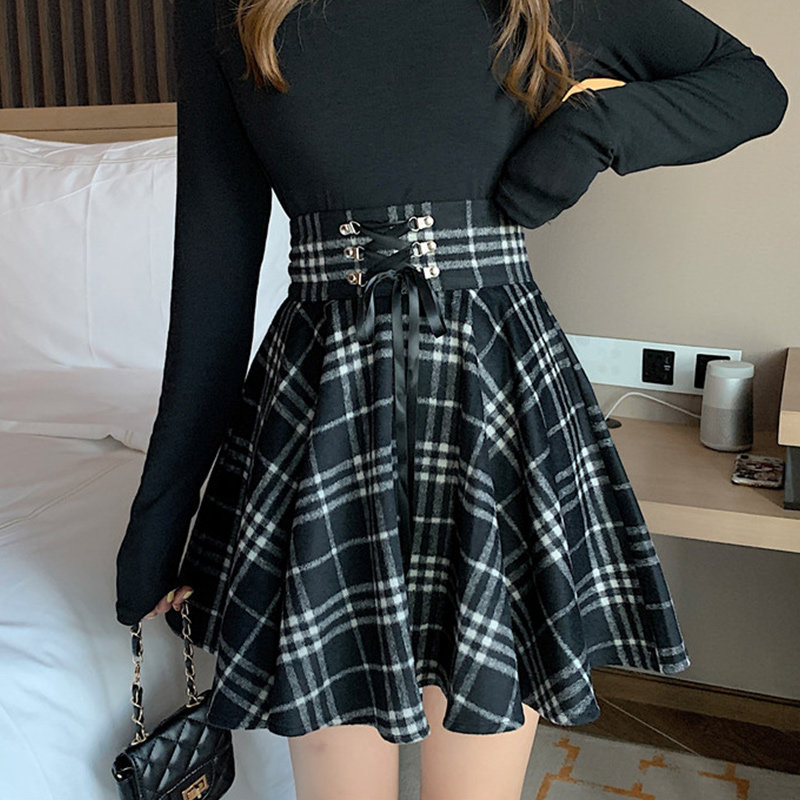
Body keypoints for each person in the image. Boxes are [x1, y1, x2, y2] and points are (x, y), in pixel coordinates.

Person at [115, 0, 788, 797]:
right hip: (324, 414)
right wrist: (160, 522)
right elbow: (212, 277)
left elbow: (752, 88)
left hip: (494, 402)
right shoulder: (224, 9)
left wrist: (593, 128)